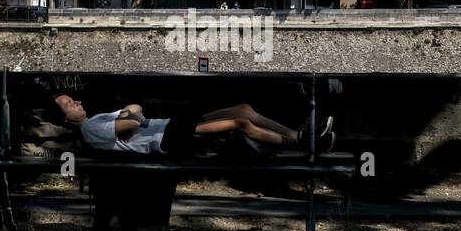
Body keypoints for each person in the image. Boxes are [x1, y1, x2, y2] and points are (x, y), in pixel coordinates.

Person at [46, 93, 334, 157]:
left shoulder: (96, 119)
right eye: (69, 104)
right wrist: (130, 115)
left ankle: (300, 135)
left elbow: (135, 110)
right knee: (240, 122)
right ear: (66, 119)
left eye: (73, 99)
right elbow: (131, 118)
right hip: (167, 139)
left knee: (243, 109)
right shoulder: (90, 129)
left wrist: (130, 114)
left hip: (168, 126)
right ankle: (305, 144)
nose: (76, 102)